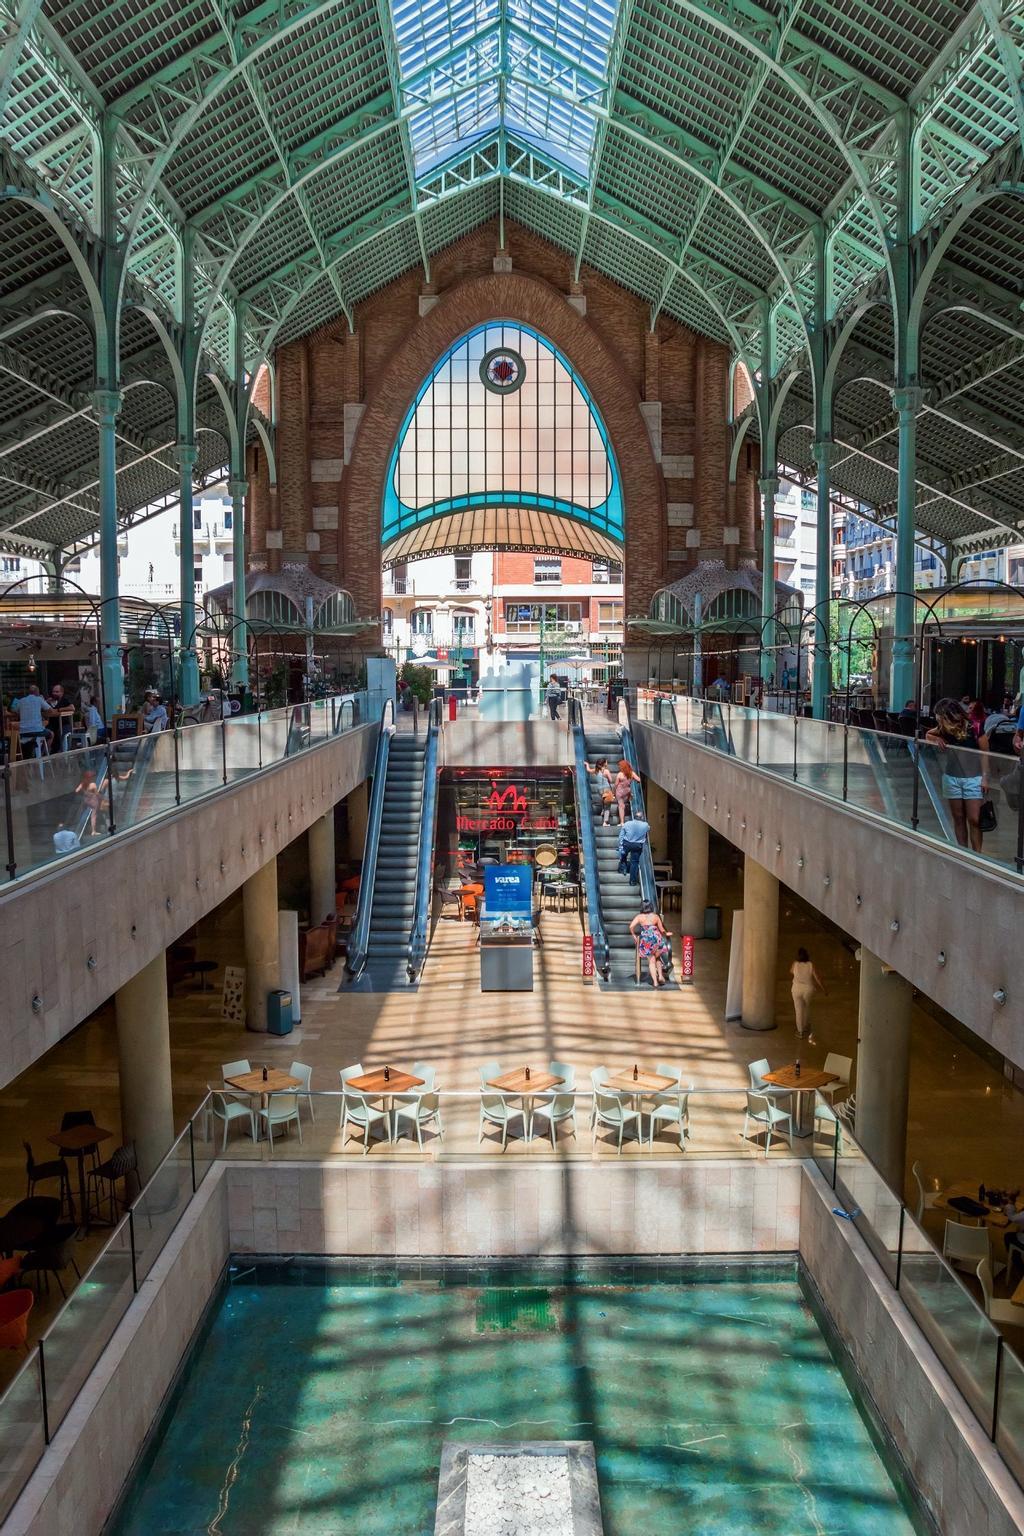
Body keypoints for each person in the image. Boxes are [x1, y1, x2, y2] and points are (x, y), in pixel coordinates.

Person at [926, 697, 989, 852]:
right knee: (958, 817)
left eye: (939, 716)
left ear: (948, 715)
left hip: (974, 777)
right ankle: (963, 853)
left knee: (974, 819)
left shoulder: (975, 727)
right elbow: (928, 734)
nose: (937, 719)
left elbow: (985, 753)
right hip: (952, 776)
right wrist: (937, 738)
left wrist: (986, 777)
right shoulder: (944, 729)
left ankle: (977, 855)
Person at [630, 899, 672, 988]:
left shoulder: (639, 917)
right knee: (658, 958)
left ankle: (655, 982)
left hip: (647, 940)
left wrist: (634, 935)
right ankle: (660, 976)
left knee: (651, 961)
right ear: (651, 907)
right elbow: (661, 929)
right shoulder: (656, 916)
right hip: (657, 938)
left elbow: (631, 926)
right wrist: (666, 933)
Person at [790, 947, 826, 1039]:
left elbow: (790, 971)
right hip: (808, 990)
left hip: (796, 989)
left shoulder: (795, 964)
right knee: (806, 1007)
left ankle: (800, 1032)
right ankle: (806, 1026)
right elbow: (817, 978)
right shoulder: (810, 965)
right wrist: (824, 989)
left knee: (798, 1010)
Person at [12, 684, 53, 755]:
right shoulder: (39, 699)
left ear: (29, 692)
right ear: (37, 692)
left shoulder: (21, 700)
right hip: (37, 731)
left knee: (32, 737)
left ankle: (34, 751)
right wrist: (42, 712)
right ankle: (43, 754)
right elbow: (50, 710)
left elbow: (14, 710)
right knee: (51, 734)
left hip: (23, 732)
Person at [618, 812, 650, 885]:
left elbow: (621, 836)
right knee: (634, 862)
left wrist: (620, 845)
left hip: (627, 843)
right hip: (637, 845)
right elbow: (648, 829)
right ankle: (632, 881)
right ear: (642, 818)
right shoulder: (645, 825)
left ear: (634, 817)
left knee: (623, 856)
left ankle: (623, 868)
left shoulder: (627, 823)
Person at [584, 756, 615, 825]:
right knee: (608, 807)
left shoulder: (596, 770)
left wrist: (587, 764)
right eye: (606, 762)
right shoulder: (606, 771)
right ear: (604, 764)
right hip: (607, 789)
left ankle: (602, 811)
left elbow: (588, 770)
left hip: (600, 790)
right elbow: (610, 780)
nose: (607, 763)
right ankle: (605, 822)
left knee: (604, 800)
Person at [74, 768, 102, 834]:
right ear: (91, 777)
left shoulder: (83, 784)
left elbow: (76, 790)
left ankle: (78, 827)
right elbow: (97, 794)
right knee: (93, 815)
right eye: (93, 776)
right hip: (93, 801)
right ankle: (93, 831)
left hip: (86, 800)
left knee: (81, 812)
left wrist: (83, 791)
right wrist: (101, 798)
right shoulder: (93, 785)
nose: (94, 777)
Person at [613, 759, 636, 825]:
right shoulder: (632, 773)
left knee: (621, 806)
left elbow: (616, 784)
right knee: (623, 804)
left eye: (620, 766)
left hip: (620, 792)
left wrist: (613, 792)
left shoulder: (620, 774)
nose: (619, 767)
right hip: (627, 792)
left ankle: (622, 822)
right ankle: (629, 797)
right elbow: (638, 779)